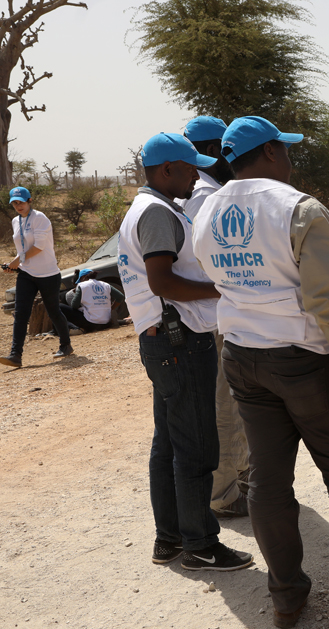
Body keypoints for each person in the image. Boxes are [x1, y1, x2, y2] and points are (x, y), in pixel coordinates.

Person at [191, 116, 329, 629]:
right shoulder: (298, 209)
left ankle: (287, 596)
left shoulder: (204, 211)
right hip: (304, 360)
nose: (290, 160)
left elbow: (218, 280)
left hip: (242, 357)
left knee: (267, 481)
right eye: (283, 151)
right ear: (268, 153)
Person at [117, 132, 254, 573]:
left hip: (163, 339)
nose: (197, 174)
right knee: (195, 446)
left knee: (170, 444)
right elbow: (163, 282)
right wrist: (221, 288)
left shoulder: (150, 207)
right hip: (180, 341)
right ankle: (200, 544)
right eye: (189, 166)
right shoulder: (157, 212)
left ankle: (170, 539)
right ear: (166, 169)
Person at [180, 115, 250, 520]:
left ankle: (236, 478)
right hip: (216, 316)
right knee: (225, 404)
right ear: (211, 151)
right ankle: (224, 494)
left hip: (213, 315)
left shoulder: (204, 192)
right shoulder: (207, 197)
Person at [1, 187, 73, 367]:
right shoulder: (15, 221)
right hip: (26, 274)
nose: (18, 206)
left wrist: (17, 260)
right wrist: (13, 266)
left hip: (48, 274)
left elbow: (39, 247)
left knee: (53, 311)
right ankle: (15, 355)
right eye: (14, 203)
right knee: (21, 314)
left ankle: (66, 345)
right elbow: (21, 249)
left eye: (21, 202)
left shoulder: (40, 218)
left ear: (30, 201)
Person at [58, 268, 125, 332]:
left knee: (59, 307)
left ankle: (72, 329)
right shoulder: (105, 284)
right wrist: (111, 309)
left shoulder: (82, 285)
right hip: (106, 322)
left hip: (91, 323)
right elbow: (120, 296)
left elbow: (74, 305)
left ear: (83, 277)